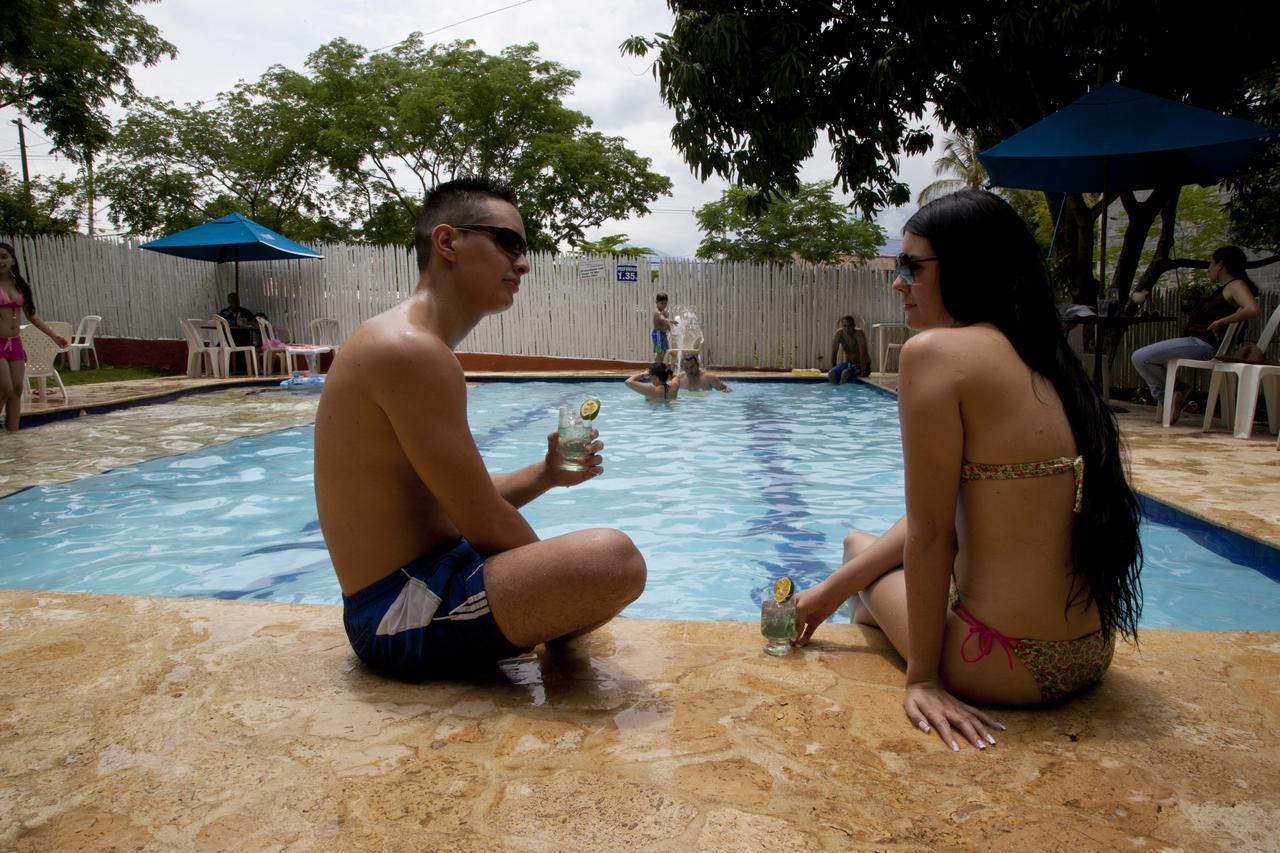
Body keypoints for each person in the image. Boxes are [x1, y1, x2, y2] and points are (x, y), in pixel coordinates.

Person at [792, 190, 1143, 751]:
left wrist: (924, 679)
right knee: (863, 565)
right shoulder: (1046, 359)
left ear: (968, 268)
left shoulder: (935, 353)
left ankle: (847, 601)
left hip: (999, 663)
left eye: (912, 266)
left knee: (860, 547)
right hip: (1089, 654)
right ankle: (838, 596)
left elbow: (934, 534)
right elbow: (954, 511)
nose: (896, 282)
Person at [314, 178, 646, 681]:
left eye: (524, 248)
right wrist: (562, 580)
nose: (524, 263)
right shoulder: (409, 349)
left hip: (429, 578)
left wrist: (545, 474)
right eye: (507, 242)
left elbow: (447, 506)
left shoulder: (411, 343)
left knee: (586, 569)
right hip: (397, 615)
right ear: (447, 242)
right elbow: (482, 520)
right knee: (612, 561)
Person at [1130, 246, 1261, 422]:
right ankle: (1173, 396)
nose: (1209, 268)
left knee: (1140, 357)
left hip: (1202, 344)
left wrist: (1222, 321)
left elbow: (1252, 308)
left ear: (1220, 265)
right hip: (1196, 342)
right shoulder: (1225, 288)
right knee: (1143, 359)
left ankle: (1176, 391)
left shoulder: (1235, 284)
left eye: (1211, 263)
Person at [0, 242, 69, 432]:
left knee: (16, 390)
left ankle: (13, 435)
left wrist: (54, 336)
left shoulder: (20, 286)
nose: (1, 261)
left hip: (14, 343)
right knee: (4, 387)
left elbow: (32, 315)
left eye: (4, 256)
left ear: (13, 260)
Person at [828, 315, 871, 383]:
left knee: (845, 373)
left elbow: (863, 354)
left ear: (854, 326)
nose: (847, 329)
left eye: (849, 326)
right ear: (842, 326)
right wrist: (834, 368)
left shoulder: (859, 334)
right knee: (831, 373)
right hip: (848, 364)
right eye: (844, 326)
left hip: (861, 365)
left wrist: (863, 371)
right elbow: (834, 352)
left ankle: (844, 392)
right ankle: (835, 392)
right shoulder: (839, 334)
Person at [652, 292, 677, 365]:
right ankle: (656, 367)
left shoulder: (664, 312)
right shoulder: (657, 313)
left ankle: (658, 364)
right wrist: (671, 321)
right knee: (659, 351)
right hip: (657, 335)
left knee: (665, 350)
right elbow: (662, 319)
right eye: (662, 303)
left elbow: (665, 323)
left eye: (665, 303)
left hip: (662, 334)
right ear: (656, 302)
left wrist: (670, 330)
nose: (664, 305)